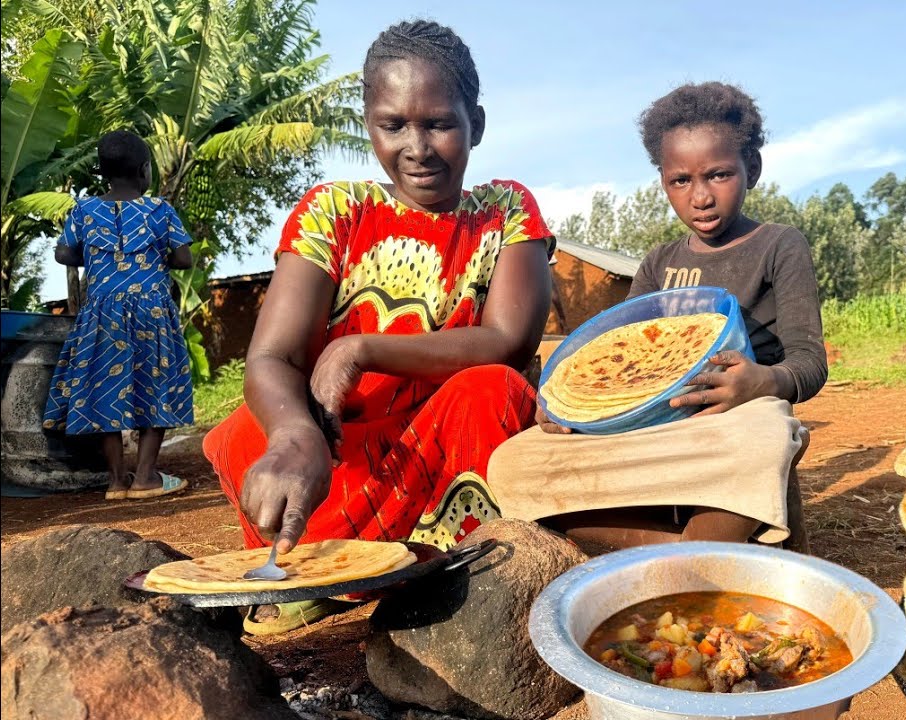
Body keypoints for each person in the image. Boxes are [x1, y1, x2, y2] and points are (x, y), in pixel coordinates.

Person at [202, 19, 553, 634]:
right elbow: (270, 358)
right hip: (342, 456)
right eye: (392, 125)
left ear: (477, 123)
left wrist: (362, 348)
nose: (416, 147)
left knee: (490, 389)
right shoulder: (334, 213)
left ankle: (459, 574)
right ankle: (315, 572)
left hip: (444, 453)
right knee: (245, 435)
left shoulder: (504, 213)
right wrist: (292, 436)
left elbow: (508, 339)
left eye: (439, 123)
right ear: (370, 125)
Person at [488, 81, 826, 552]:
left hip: (734, 425)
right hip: (654, 430)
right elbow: (618, 362)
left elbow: (810, 363)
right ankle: (696, 548)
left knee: (767, 437)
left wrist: (762, 383)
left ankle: (676, 561)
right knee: (513, 463)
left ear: (752, 168)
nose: (700, 196)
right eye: (680, 181)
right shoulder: (657, 263)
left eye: (719, 175)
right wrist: (567, 405)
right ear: (664, 182)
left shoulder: (778, 246)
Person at [43, 130, 195, 501]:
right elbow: (183, 258)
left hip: (102, 311)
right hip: (151, 310)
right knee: (155, 384)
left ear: (103, 174)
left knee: (104, 390)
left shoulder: (84, 210)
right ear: (145, 170)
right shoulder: (160, 210)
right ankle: (145, 477)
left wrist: (94, 257)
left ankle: (116, 482)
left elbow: (63, 253)